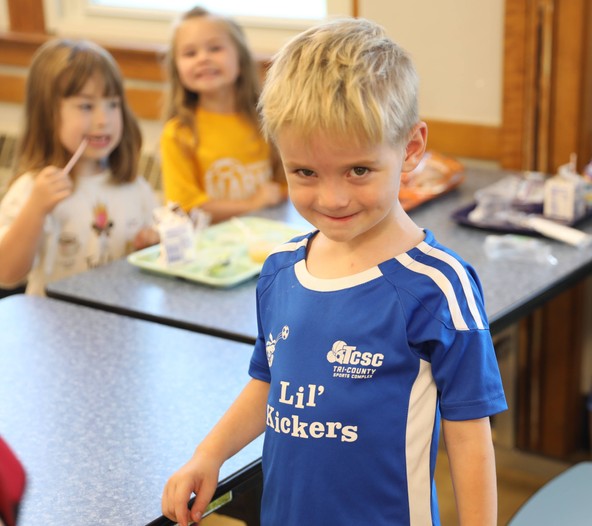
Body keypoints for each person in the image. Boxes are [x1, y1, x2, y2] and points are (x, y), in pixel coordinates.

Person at [161, 17, 507, 526]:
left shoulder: (438, 286)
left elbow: (471, 440)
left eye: (359, 170)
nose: (333, 198)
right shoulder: (280, 271)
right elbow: (267, 383)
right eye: (305, 172)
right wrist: (208, 453)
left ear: (411, 148)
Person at [0, 39, 159, 296]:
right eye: (86, 106)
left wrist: (150, 245)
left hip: (120, 325)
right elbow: (6, 274)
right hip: (54, 330)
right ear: (48, 114)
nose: (103, 120)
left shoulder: (134, 186)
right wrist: (36, 210)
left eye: (113, 104)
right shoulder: (32, 189)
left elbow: (152, 257)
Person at [160, 6, 286, 223]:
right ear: (177, 68)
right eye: (190, 53)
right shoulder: (178, 133)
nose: (203, 59)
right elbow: (185, 206)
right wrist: (250, 205)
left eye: (215, 48)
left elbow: (286, 186)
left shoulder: (266, 121)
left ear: (241, 59)